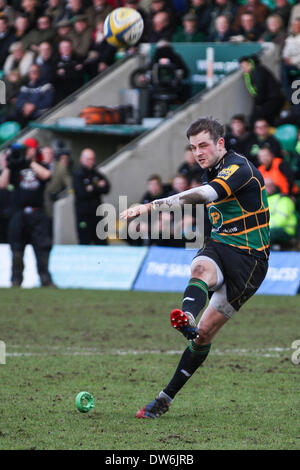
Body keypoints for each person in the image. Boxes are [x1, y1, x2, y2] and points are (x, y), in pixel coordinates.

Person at [120, 117, 270, 419]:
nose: (198, 152)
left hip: (251, 260)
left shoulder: (238, 169)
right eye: (193, 147)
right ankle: (186, 316)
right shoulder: (211, 171)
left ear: (220, 144)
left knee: (205, 335)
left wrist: (150, 206)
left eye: (203, 145)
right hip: (221, 244)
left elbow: (204, 195)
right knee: (200, 269)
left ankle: (166, 396)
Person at [0, 141, 55, 287]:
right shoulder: (15, 166)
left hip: (37, 213)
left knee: (42, 248)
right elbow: (2, 184)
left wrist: (29, 162)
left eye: (30, 148)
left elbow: (46, 175)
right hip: (19, 214)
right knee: (17, 249)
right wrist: (9, 165)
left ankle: (45, 279)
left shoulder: (40, 165)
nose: (28, 151)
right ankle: (16, 280)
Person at [73, 148, 110, 245]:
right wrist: (97, 186)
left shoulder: (96, 173)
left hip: (97, 216)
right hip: (84, 216)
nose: (91, 162)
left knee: (102, 243)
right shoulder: (78, 175)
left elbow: (106, 188)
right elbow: (82, 193)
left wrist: (92, 188)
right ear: (82, 159)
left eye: (92, 159)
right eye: (88, 159)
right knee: (85, 243)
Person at [265, 178, 298, 248]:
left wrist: (265, 228)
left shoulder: (284, 199)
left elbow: (281, 220)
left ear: (274, 187)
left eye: (269, 186)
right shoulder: (265, 200)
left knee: (268, 234)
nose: (266, 188)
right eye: (265, 186)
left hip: (286, 230)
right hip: (271, 230)